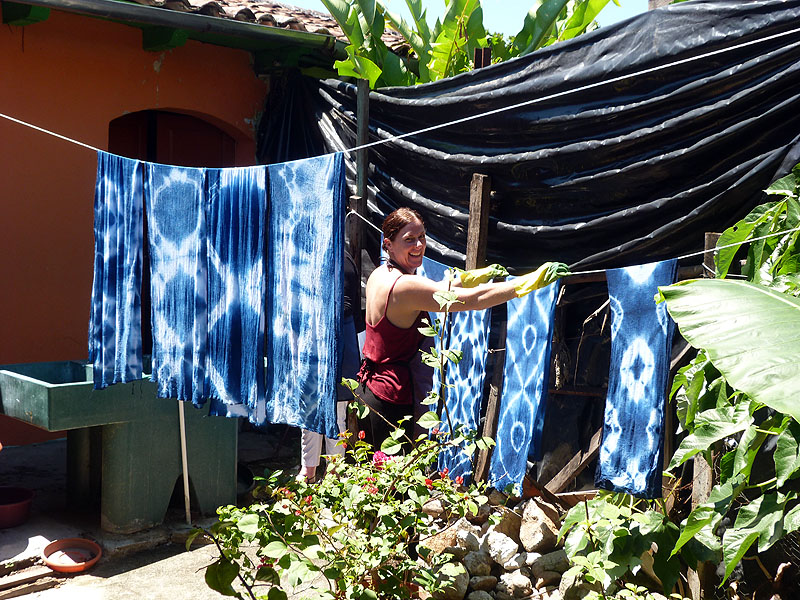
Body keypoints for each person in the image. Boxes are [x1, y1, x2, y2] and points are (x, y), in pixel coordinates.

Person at [356, 207, 569, 446]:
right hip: (392, 399)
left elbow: (431, 290)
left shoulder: (379, 275)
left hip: (369, 392)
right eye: (409, 239)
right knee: (394, 480)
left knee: (371, 477)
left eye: (422, 237)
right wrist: (526, 283)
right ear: (388, 244)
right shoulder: (405, 285)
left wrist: (466, 279)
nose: (419, 245)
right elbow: (474, 300)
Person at [298, 250, 364, 482]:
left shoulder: (344, 260)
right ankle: (313, 471)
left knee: (332, 410)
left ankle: (330, 475)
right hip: (318, 334)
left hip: (336, 335)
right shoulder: (310, 254)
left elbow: (350, 309)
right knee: (314, 407)